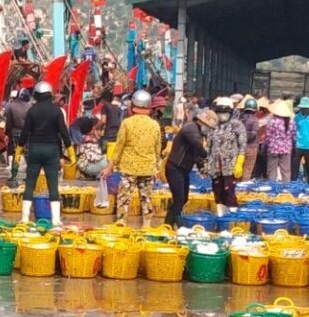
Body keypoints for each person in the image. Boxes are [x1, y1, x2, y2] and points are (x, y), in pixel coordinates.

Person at [19, 80, 72, 225]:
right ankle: (55, 220)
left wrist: (18, 150)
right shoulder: (57, 111)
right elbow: (64, 133)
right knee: (52, 185)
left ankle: (24, 219)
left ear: (36, 95)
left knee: (30, 184)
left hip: (35, 149)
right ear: (50, 94)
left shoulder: (32, 110)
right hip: (51, 150)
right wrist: (71, 153)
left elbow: (25, 133)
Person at [113, 89, 164, 227]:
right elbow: (157, 149)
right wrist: (156, 167)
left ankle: (122, 222)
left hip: (129, 167)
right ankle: (146, 225)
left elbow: (119, 147)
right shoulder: (155, 125)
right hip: (148, 168)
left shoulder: (127, 123)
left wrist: (112, 165)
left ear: (133, 106)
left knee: (124, 198)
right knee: (146, 198)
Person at [166, 108, 211, 227]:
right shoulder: (190, 128)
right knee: (179, 199)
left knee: (183, 199)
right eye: (209, 127)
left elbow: (196, 154)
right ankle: (179, 225)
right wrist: (208, 154)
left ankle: (168, 223)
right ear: (203, 122)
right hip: (175, 168)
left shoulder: (199, 133)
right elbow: (196, 145)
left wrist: (202, 166)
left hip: (183, 170)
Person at [207, 99, 248, 216]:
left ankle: (232, 216)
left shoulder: (237, 125)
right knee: (217, 191)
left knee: (229, 191)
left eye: (225, 112)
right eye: (220, 112)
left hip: (230, 166)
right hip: (215, 165)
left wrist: (240, 161)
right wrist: (207, 163)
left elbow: (242, 145)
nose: (222, 115)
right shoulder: (213, 126)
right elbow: (209, 146)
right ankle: (221, 215)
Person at [1, 84, 33, 187]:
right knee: (28, 155)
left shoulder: (11, 106)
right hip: (28, 133)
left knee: (16, 154)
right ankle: (30, 176)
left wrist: (7, 134)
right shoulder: (30, 107)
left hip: (15, 132)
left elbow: (9, 123)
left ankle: (14, 176)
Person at [261, 99, 295, 183]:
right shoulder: (291, 122)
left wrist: (264, 147)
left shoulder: (272, 122)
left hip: (273, 149)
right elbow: (294, 136)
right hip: (286, 149)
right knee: (286, 171)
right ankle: (286, 189)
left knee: (271, 170)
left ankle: (272, 187)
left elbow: (267, 137)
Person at [73, 116, 107, 180]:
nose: (100, 132)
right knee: (108, 160)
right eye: (99, 129)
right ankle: (96, 174)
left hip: (85, 166)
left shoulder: (83, 139)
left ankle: (92, 175)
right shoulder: (89, 140)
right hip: (89, 166)